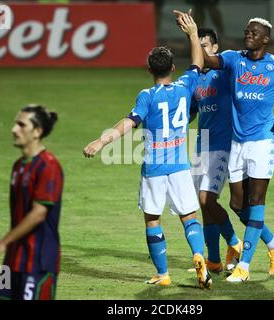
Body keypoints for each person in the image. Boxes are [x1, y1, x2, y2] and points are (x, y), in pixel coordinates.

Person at [176, 12, 274, 282]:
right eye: (246, 31)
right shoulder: (234, 60)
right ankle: (272, 243)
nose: (247, 34)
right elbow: (206, 63)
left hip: (262, 139)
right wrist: (191, 35)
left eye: (253, 32)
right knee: (237, 204)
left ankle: (244, 266)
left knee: (254, 200)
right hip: (236, 142)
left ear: (266, 38)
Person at [83, 15, 212, 289]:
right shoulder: (185, 86)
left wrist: (100, 141)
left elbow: (128, 123)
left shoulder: (147, 96)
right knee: (189, 217)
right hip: (180, 165)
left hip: (154, 168)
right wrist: (192, 33)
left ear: (149, 70)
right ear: (173, 68)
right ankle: (199, 255)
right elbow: (198, 63)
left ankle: (163, 274)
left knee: (153, 219)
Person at [0, 105, 63, 299]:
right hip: (12, 259)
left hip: (38, 262)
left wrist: (1, 243)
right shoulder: (18, 166)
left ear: (37, 132)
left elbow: (38, 213)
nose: (14, 129)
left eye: (21, 125)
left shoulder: (48, 166)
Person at [189, 27, 242, 274]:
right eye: (197, 46)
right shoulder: (196, 79)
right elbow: (190, 113)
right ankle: (213, 261)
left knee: (206, 199)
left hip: (223, 146)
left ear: (215, 48)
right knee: (205, 207)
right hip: (201, 146)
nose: (201, 51)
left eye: (205, 46)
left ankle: (234, 243)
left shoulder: (225, 73)